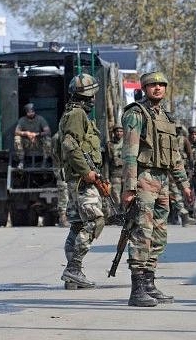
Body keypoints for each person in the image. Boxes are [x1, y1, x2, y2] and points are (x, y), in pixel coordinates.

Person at [121, 71, 193, 307]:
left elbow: (175, 156)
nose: (158, 88)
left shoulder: (167, 117)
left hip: (162, 181)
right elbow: (130, 152)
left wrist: (184, 184)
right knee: (142, 232)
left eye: (162, 85)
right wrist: (129, 186)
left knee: (160, 233)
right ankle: (137, 288)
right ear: (144, 88)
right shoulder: (136, 114)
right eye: (153, 85)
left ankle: (150, 283)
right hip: (144, 178)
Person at [58, 73, 106, 290]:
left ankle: (72, 277)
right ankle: (74, 269)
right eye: (92, 95)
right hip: (82, 180)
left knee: (77, 225)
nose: (94, 99)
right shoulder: (77, 114)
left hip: (77, 178)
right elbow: (70, 145)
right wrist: (87, 172)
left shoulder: (73, 113)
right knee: (95, 221)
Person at [14, 103, 52, 169]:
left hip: (38, 142)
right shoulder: (22, 120)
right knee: (17, 138)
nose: (31, 113)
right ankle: (21, 161)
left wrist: (36, 134)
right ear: (26, 113)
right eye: (29, 112)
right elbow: (16, 132)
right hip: (27, 143)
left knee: (48, 139)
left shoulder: (40, 119)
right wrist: (27, 133)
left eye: (32, 112)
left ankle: (45, 161)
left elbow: (48, 132)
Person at [51, 131, 70, 228]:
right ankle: (63, 217)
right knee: (63, 191)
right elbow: (56, 155)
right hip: (61, 167)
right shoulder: (57, 137)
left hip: (71, 167)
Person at [107, 125, 125, 222]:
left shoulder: (127, 143)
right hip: (115, 173)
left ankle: (125, 215)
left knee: (126, 195)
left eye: (121, 131)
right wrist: (106, 176)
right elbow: (106, 162)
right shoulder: (110, 145)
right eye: (117, 131)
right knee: (116, 195)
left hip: (126, 173)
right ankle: (117, 215)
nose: (119, 133)